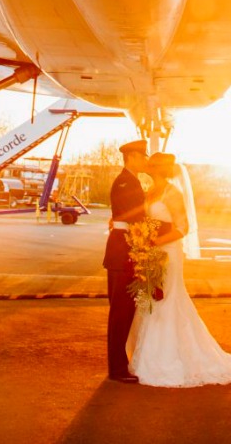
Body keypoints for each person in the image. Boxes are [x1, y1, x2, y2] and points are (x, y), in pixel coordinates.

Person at [128, 151, 231, 387]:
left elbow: (183, 227)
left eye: (151, 164)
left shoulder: (173, 193)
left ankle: (168, 359)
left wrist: (155, 242)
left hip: (168, 253)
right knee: (152, 300)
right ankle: (149, 356)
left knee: (167, 299)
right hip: (151, 253)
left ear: (158, 169)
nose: (147, 166)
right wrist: (144, 243)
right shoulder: (150, 192)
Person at [103, 137, 150, 383]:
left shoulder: (130, 180)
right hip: (123, 252)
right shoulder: (125, 182)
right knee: (120, 312)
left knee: (123, 311)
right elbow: (134, 218)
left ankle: (119, 366)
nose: (145, 160)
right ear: (131, 156)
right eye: (143, 156)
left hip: (123, 251)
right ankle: (117, 369)